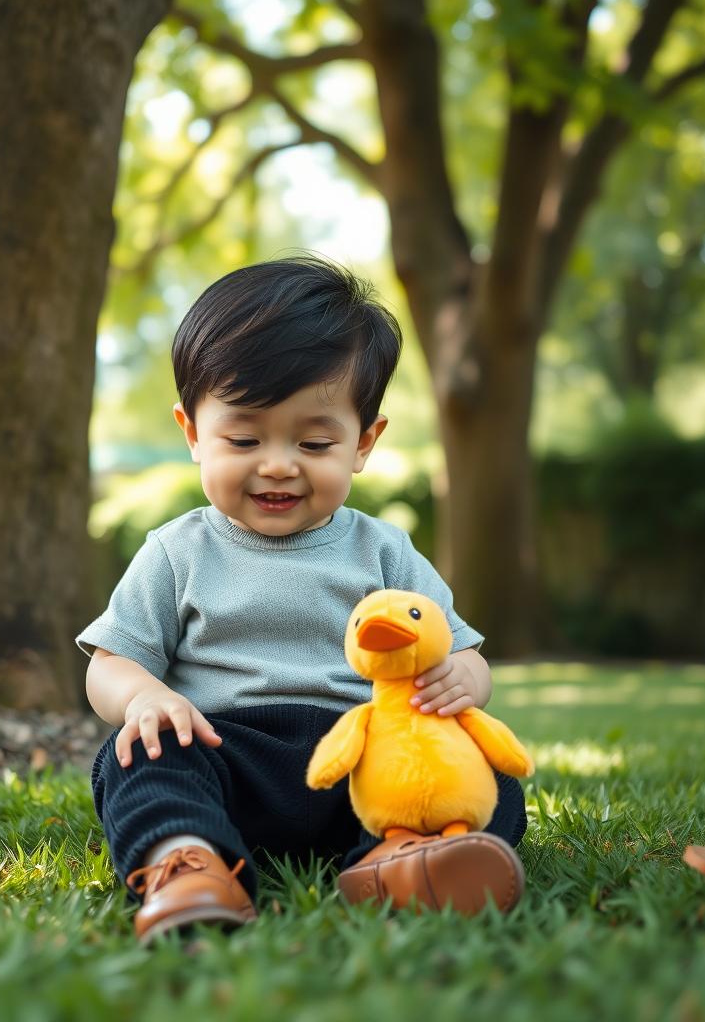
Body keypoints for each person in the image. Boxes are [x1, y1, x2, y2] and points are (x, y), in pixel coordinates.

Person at [79, 254, 528, 942]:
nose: (279, 462)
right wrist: (143, 698)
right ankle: (189, 859)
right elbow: (108, 663)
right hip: (227, 752)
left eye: (314, 441)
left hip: (368, 772)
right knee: (136, 756)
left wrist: (460, 680)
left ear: (364, 443)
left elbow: (466, 655)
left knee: (488, 777)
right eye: (244, 437)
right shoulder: (177, 550)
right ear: (194, 434)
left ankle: (400, 859)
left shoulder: (385, 551)